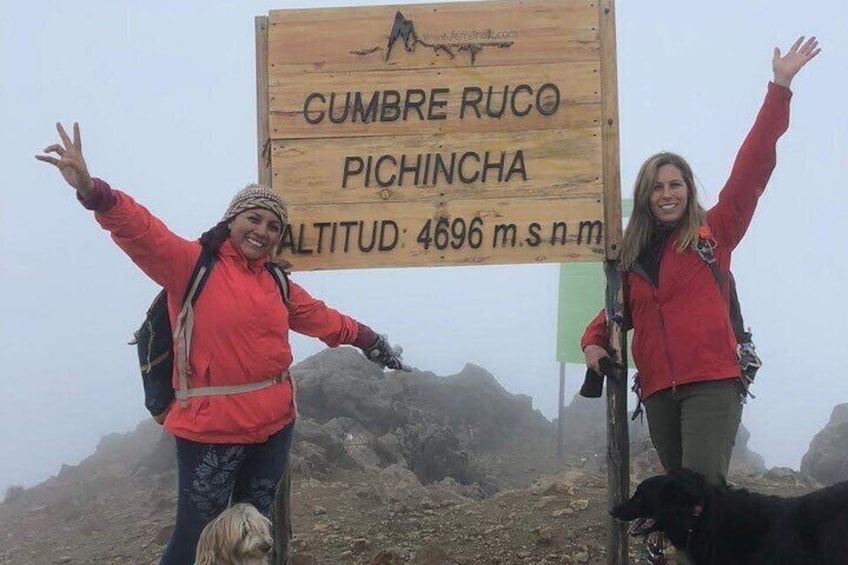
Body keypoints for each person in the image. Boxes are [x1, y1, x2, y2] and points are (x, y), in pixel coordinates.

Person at [36, 123, 409, 565]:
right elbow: (141, 231)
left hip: (274, 426)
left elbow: (324, 319)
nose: (262, 231)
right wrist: (92, 190)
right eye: (253, 218)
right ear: (232, 220)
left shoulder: (277, 282)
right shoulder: (191, 265)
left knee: (258, 529)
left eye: (273, 226)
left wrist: (372, 341)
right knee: (198, 536)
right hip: (210, 431)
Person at [581, 36, 820, 486]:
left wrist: (780, 87)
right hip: (657, 394)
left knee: (701, 499)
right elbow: (614, 315)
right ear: (645, 197)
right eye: (657, 186)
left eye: (675, 184)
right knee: (682, 506)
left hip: (711, 384)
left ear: (688, 190)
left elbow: (753, 167)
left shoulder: (715, 232)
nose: (667, 194)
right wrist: (592, 343)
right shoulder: (633, 259)